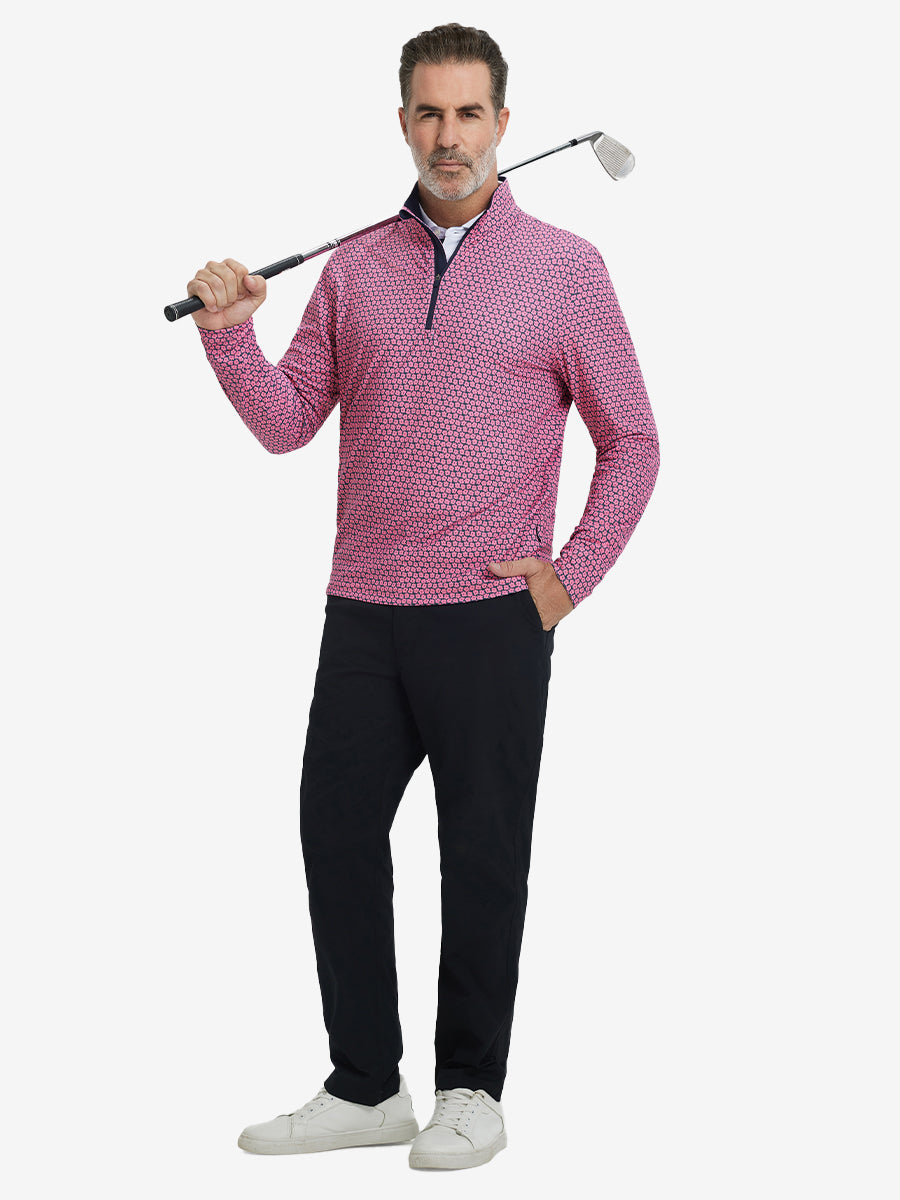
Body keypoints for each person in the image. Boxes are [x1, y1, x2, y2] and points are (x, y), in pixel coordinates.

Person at [186, 22, 660, 1172]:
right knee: (335, 829)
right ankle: (365, 1086)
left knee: (481, 853)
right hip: (364, 610)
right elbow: (288, 422)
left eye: (469, 113)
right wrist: (232, 338)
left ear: (503, 122)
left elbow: (634, 441)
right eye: (430, 113)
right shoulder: (355, 267)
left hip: (493, 617)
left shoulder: (566, 270)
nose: (450, 136)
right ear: (403, 122)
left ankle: (470, 1089)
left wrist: (567, 580)